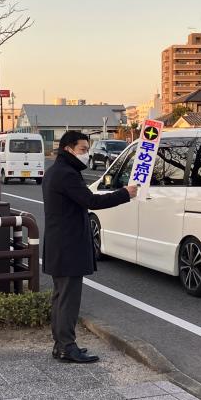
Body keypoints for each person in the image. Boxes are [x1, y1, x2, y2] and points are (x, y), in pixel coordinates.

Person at [42, 131, 137, 363]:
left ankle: (61, 344)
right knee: (68, 299)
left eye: (87, 150)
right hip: (68, 245)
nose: (86, 154)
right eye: (83, 150)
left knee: (61, 297)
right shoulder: (67, 175)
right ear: (68, 149)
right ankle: (66, 346)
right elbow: (92, 201)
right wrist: (125, 193)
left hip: (60, 244)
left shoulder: (57, 171)